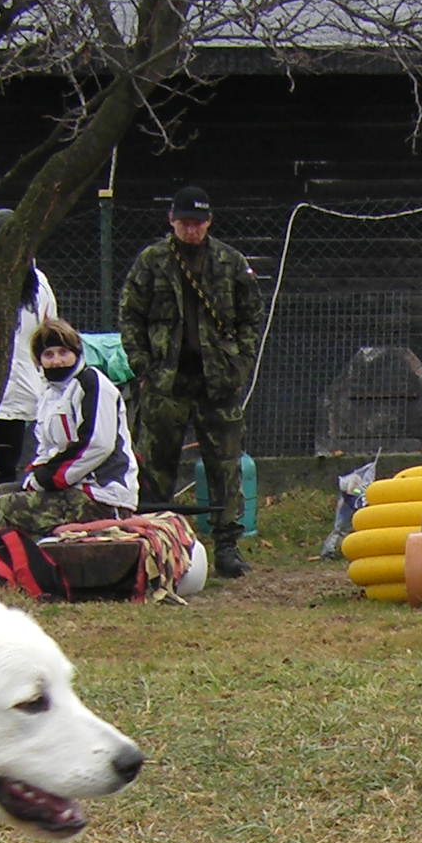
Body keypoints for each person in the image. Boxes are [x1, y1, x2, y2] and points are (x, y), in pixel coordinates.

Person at [116, 184, 262, 578]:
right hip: (165, 380)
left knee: (224, 464)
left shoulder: (229, 262)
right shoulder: (152, 262)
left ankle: (227, 545)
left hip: (218, 381)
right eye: (184, 222)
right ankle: (158, 541)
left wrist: (241, 364)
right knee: (157, 465)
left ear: (209, 222)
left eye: (197, 223)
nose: (191, 230)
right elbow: (130, 314)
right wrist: (142, 365)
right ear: (172, 221)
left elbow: (251, 316)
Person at [0, 318, 138, 543]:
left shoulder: (92, 384)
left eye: (63, 352)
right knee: (1, 492)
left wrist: (45, 479)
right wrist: (33, 477)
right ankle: (19, 563)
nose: (57, 361)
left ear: (76, 352)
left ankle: (2, 571)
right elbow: (46, 449)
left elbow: (96, 445)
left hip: (102, 494)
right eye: (49, 355)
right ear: (39, 359)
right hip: (69, 489)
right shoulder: (49, 394)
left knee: (5, 507)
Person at [0, 264, 61, 489]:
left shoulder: (36, 282)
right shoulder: (38, 280)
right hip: (15, 391)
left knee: (1, 468)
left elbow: (48, 329)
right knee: (3, 466)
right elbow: (50, 326)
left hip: (12, 392)